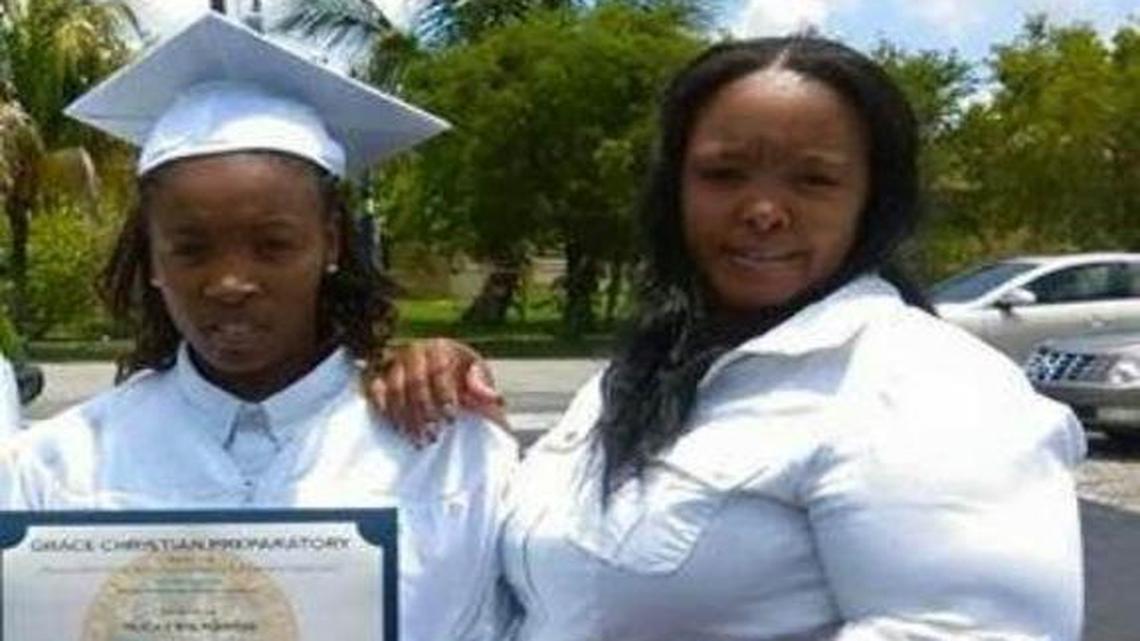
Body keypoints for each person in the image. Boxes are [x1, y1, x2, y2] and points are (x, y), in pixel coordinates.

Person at [372, 36, 1087, 639]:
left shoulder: (925, 387)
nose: (763, 210)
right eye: (723, 173)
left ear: (873, 199)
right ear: (675, 187)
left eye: (814, 179)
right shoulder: (649, 370)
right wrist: (460, 400)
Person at [0, 13, 515, 641]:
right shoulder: (60, 463)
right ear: (152, 258)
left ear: (329, 243)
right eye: (190, 249)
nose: (230, 283)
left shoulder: (444, 448)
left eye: (273, 245)